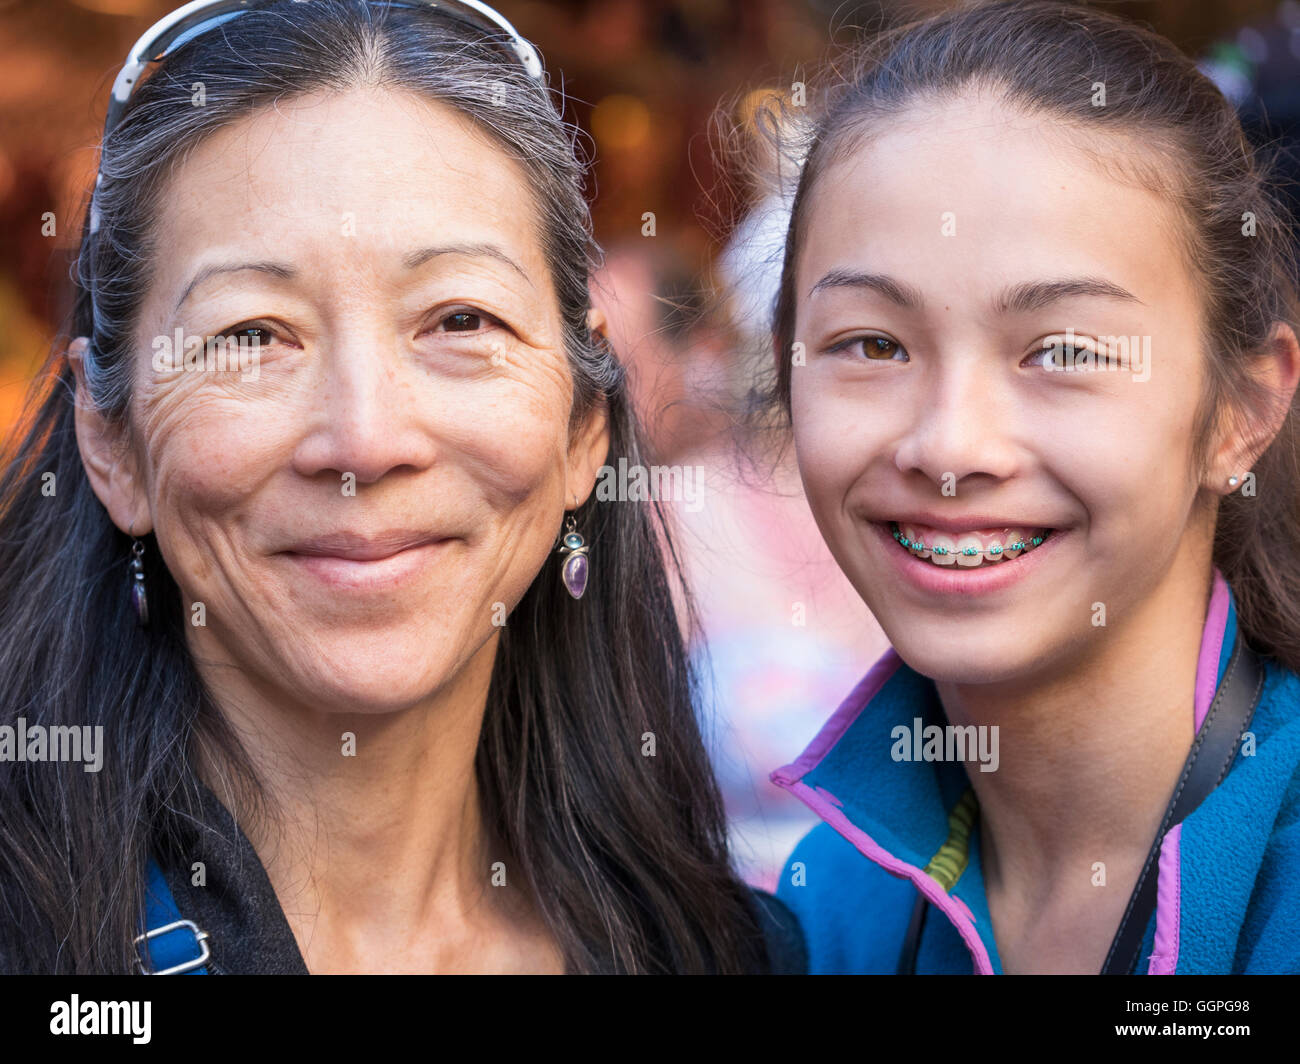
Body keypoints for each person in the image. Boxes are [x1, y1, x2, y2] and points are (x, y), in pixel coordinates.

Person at [0, 0, 803, 975]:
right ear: (109, 439)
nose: (365, 439)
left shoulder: (723, 952)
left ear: (583, 428)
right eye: (252, 333)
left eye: (459, 319)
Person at [763, 0, 1300, 974]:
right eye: (871, 343)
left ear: (1241, 411)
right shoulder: (830, 900)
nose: (949, 444)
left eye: (1061, 349)